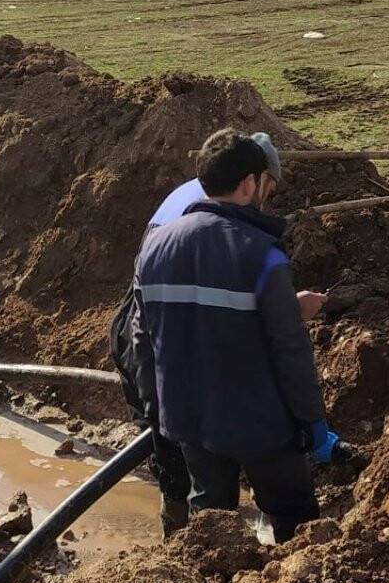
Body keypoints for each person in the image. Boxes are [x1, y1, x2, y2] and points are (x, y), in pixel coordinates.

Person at [130, 128, 342, 543]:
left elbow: (143, 339)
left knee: (210, 526)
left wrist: (158, 412)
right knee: (297, 522)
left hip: (190, 420)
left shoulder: (153, 247)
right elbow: (289, 346)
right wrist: (313, 422)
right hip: (261, 422)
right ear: (249, 183)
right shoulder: (261, 253)